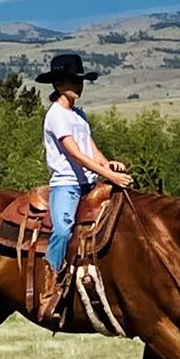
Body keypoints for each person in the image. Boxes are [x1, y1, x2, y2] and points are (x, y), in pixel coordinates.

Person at [36, 52, 133, 322]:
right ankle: (51, 286)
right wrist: (107, 175)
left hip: (88, 181)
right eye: (72, 81)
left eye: (80, 80)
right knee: (63, 229)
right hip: (66, 183)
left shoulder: (79, 114)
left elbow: (90, 148)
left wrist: (108, 164)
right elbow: (75, 154)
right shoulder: (56, 115)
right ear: (57, 85)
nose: (78, 85)